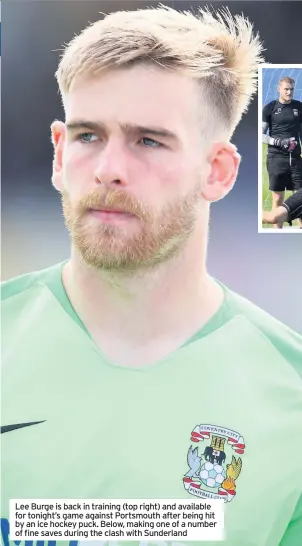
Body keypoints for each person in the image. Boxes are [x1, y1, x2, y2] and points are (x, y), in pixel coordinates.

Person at [1, 5, 302, 546]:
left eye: (149, 140)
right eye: (88, 135)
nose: (109, 168)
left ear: (218, 172)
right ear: (58, 152)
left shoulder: (291, 394)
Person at [262, 76, 302, 228]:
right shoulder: (269, 108)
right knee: (278, 201)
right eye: (286, 89)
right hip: (277, 158)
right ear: (279, 89)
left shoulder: (299, 107)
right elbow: (261, 135)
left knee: (300, 199)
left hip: (296, 158)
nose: (289, 92)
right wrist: (279, 142)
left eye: (291, 89)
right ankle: (276, 234)